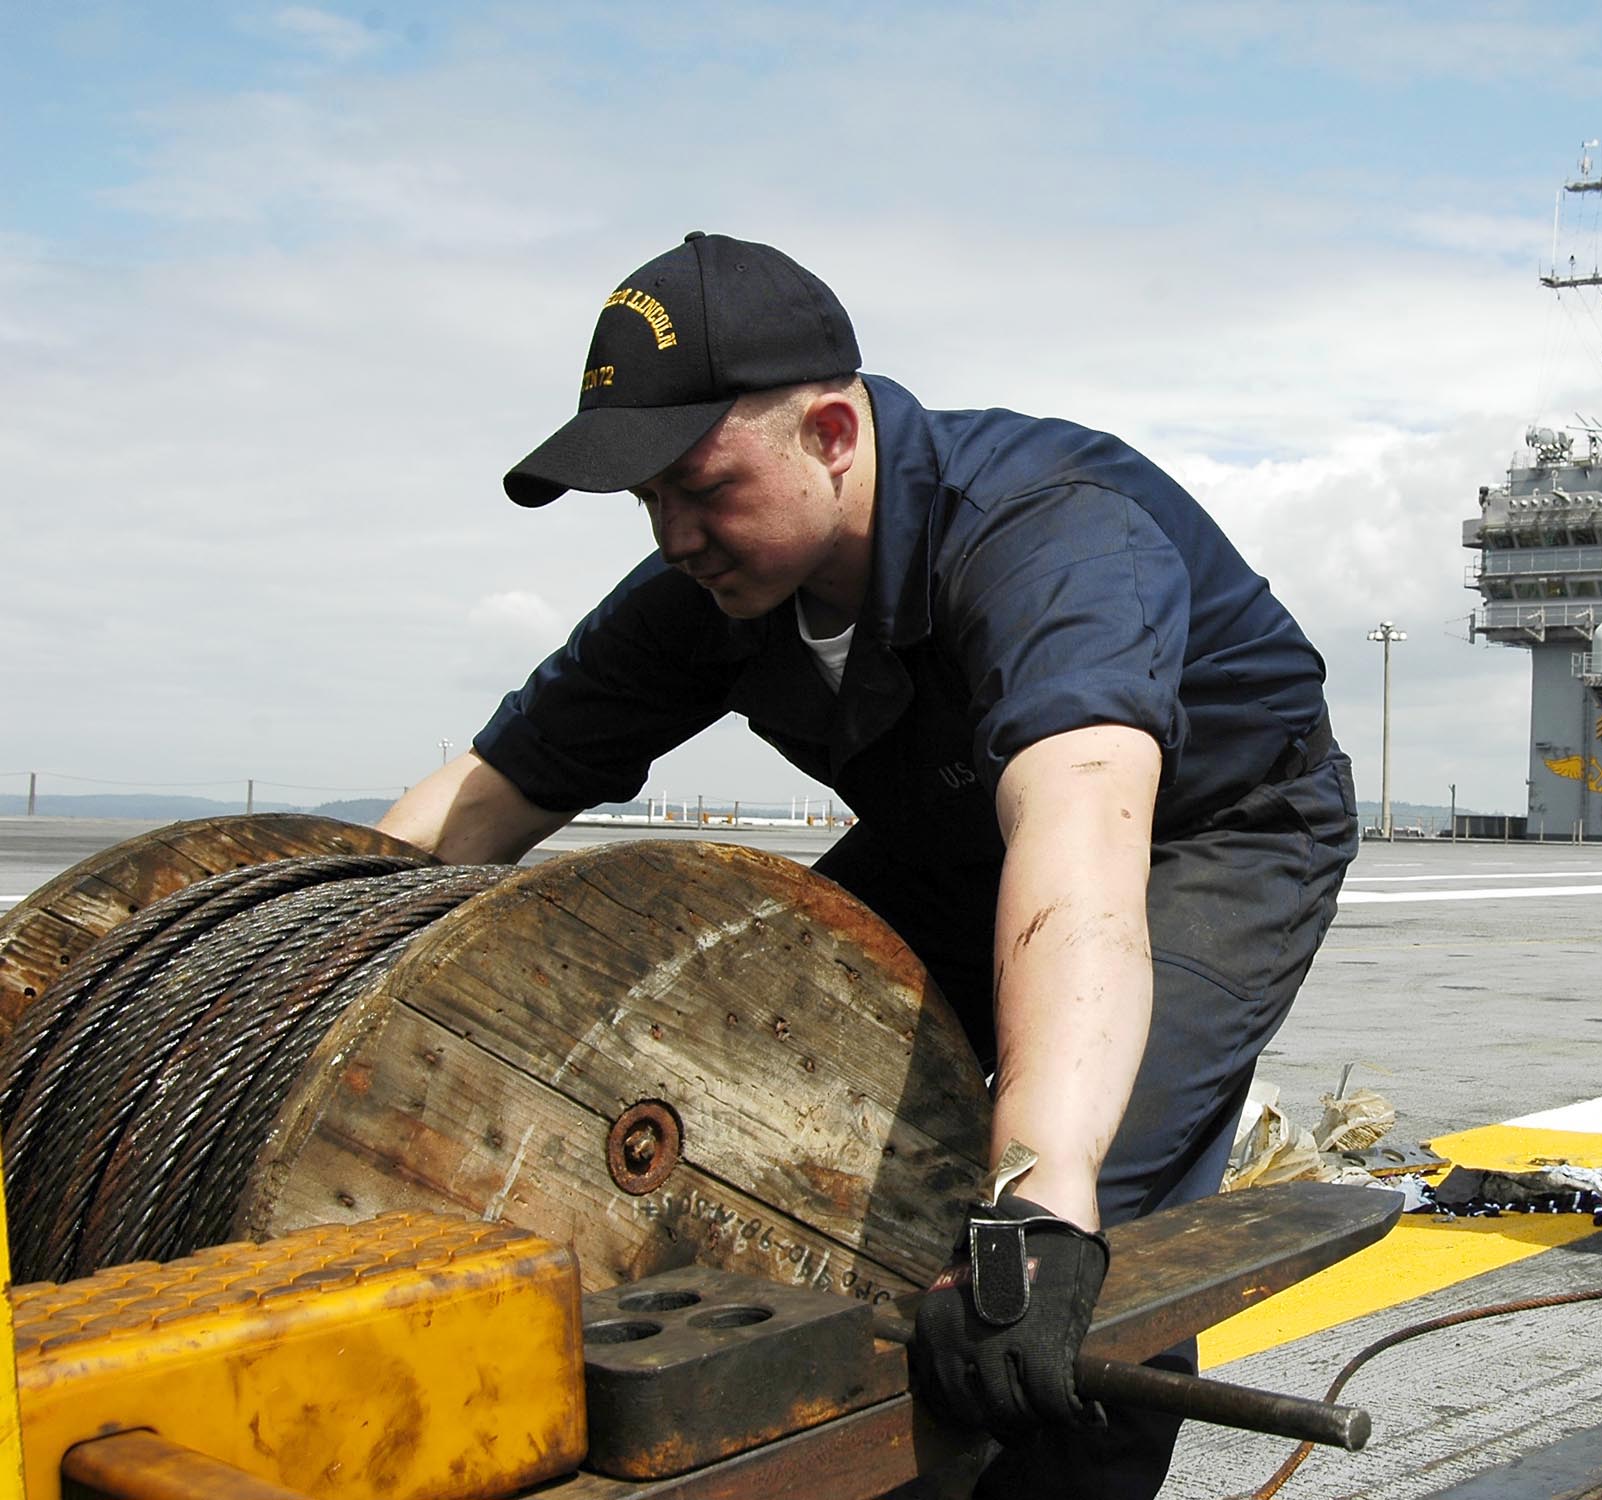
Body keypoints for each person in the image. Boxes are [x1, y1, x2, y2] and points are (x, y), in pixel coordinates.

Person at [376, 231, 1357, 1495]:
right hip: (960, 838)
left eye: (699, 484)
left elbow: (1080, 842)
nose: (674, 533)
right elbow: (482, 800)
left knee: (1075, 1219)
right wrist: (299, 963)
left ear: (833, 431)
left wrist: (1036, 1199)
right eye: (646, 501)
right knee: (749, 1056)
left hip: (1201, 836)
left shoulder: (1051, 536)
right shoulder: (722, 578)